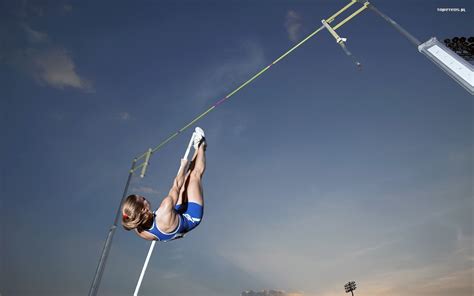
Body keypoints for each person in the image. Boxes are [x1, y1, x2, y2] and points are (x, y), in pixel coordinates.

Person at [121, 127, 206, 242]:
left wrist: (177, 234)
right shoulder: (165, 208)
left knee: (184, 187)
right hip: (190, 217)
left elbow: (163, 237)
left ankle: (196, 147)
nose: (145, 198)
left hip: (175, 218)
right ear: (142, 210)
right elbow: (176, 184)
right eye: (143, 199)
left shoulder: (139, 230)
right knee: (192, 176)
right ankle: (201, 145)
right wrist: (183, 166)